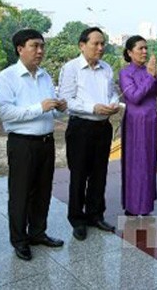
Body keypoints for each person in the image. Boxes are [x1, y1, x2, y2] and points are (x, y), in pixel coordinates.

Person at [0, 29, 66, 261]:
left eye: (42, 46)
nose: (40, 51)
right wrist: (40, 107)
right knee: (20, 193)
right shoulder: (7, 77)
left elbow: (51, 113)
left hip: (46, 142)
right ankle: (19, 240)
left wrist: (59, 109)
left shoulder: (45, 76)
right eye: (35, 46)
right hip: (22, 143)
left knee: (43, 191)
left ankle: (38, 232)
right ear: (20, 49)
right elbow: (6, 113)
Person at [58, 27, 119, 240]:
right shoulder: (71, 68)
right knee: (79, 175)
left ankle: (95, 215)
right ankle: (77, 219)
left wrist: (113, 104)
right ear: (82, 45)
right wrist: (93, 108)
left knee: (99, 174)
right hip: (81, 128)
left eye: (103, 43)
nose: (101, 48)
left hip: (103, 127)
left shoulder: (107, 68)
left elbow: (112, 92)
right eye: (96, 43)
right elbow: (67, 102)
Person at [119, 35, 157, 216]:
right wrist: (149, 76)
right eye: (140, 48)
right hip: (135, 122)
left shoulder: (150, 71)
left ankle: (146, 204)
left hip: (151, 121)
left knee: (149, 162)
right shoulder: (126, 73)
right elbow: (134, 97)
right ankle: (133, 205)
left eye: (146, 48)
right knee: (135, 162)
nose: (144, 51)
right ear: (130, 52)